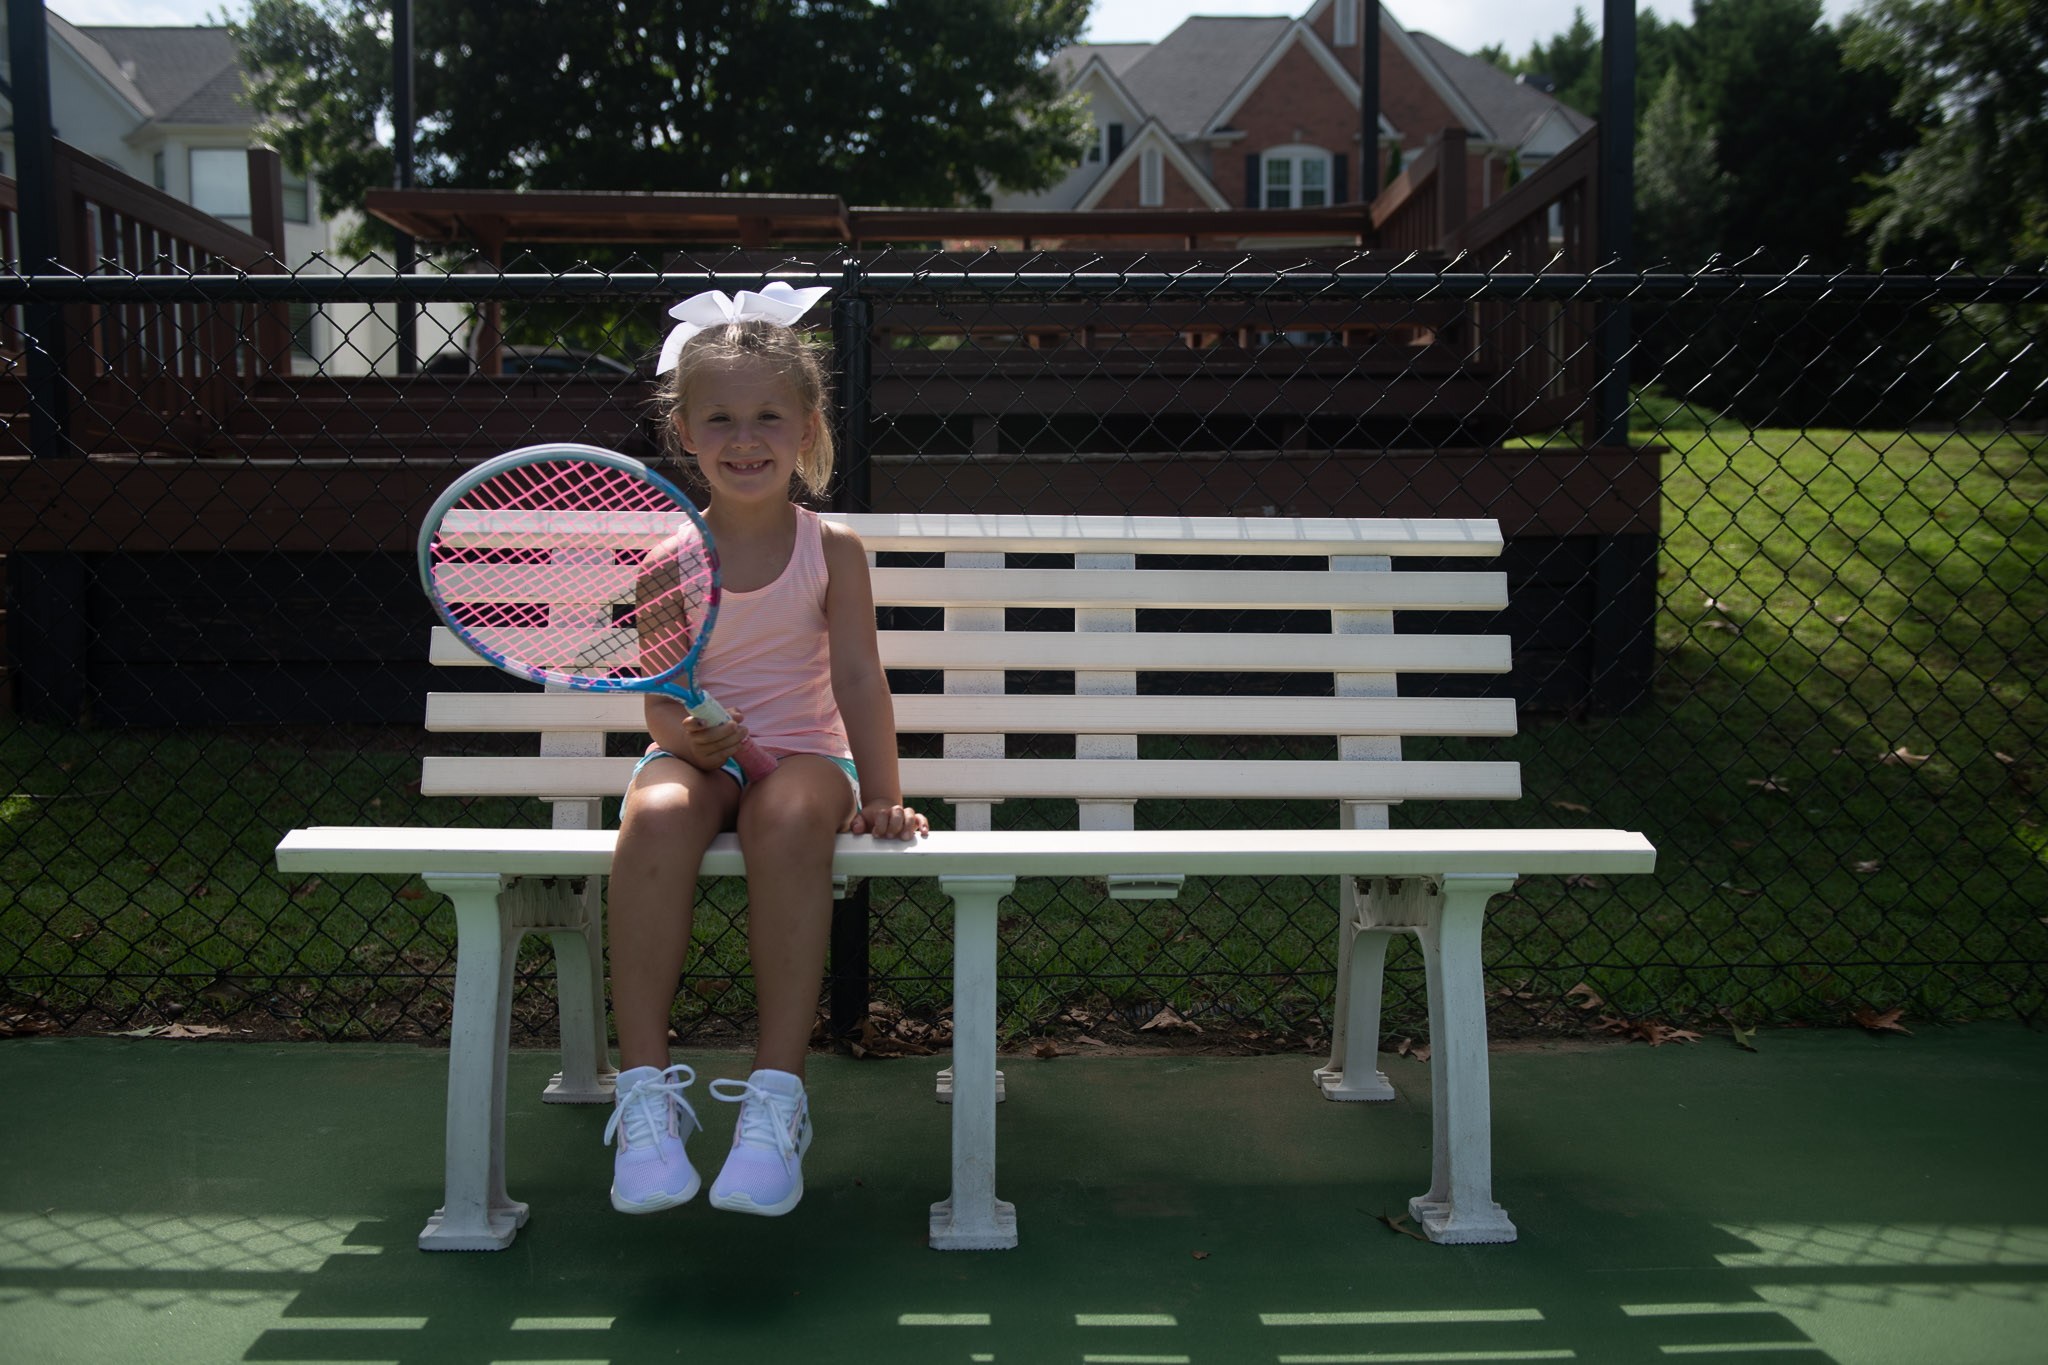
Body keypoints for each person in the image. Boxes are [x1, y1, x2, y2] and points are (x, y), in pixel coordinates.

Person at [602, 285, 928, 1218]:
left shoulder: (835, 549)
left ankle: (775, 1099)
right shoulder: (667, 560)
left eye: (768, 417)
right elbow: (660, 703)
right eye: (720, 419)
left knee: (787, 820)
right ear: (684, 431)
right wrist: (688, 739)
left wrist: (883, 794)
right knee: (656, 813)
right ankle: (646, 1097)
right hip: (698, 756)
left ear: (807, 427)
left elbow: (859, 679)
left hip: (807, 759)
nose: (744, 439)